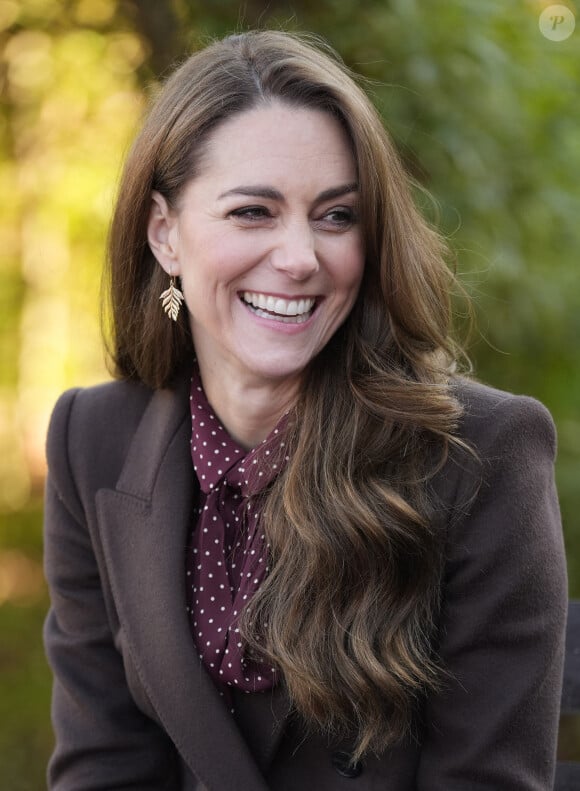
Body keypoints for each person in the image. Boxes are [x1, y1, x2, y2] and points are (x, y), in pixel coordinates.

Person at [43, 29, 567, 791]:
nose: (299, 257)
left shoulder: (482, 454)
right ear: (165, 235)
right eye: (253, 211)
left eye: (335, 216)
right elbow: (105, 768)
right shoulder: (91, 440)